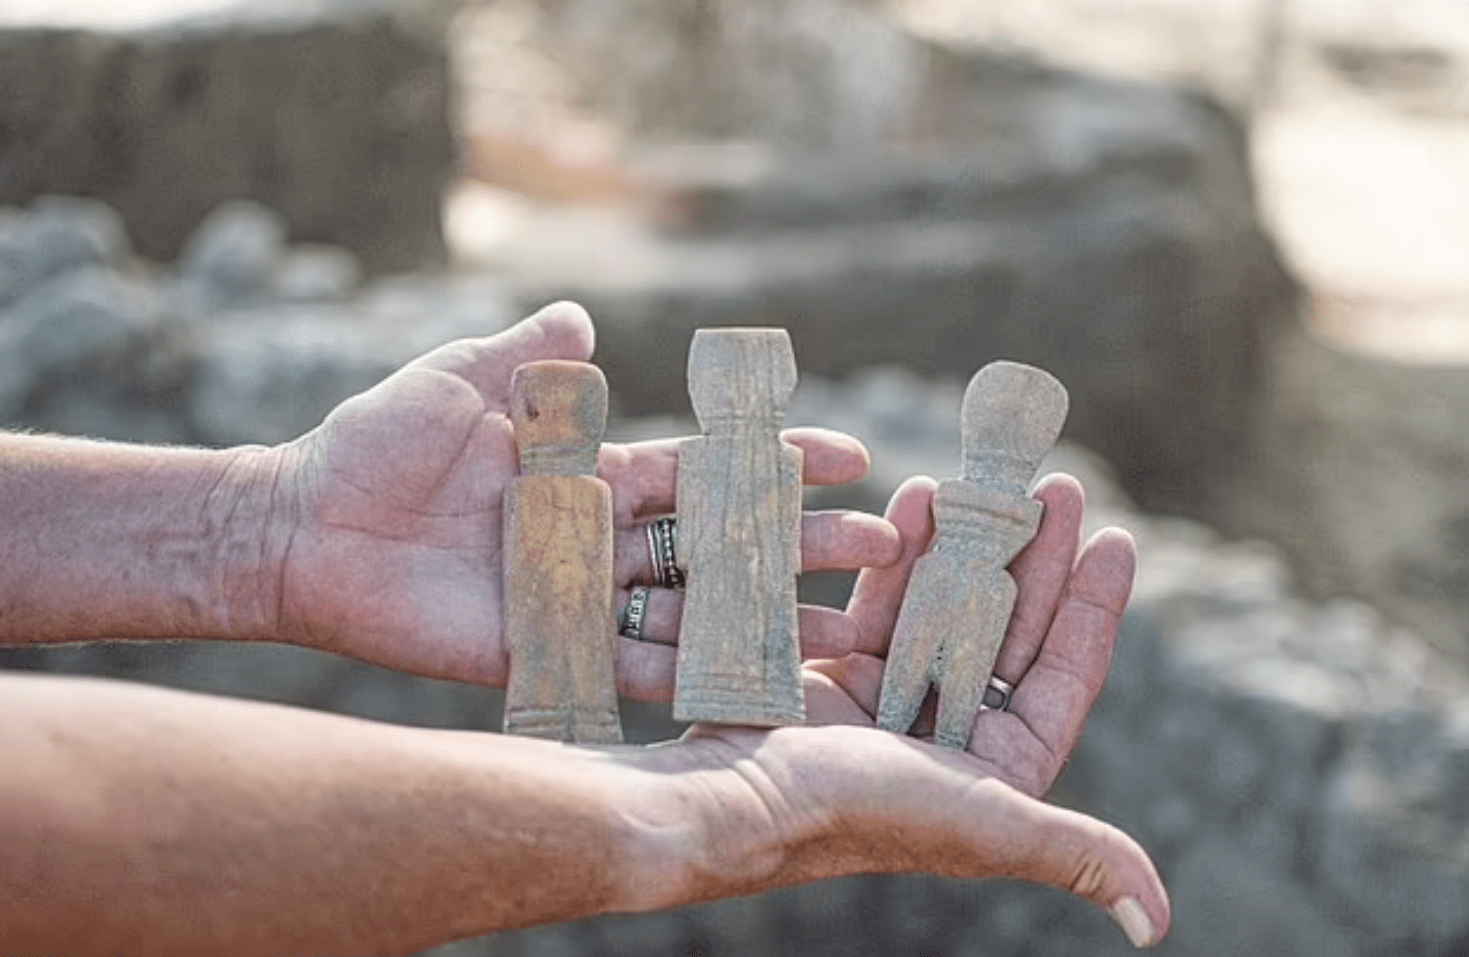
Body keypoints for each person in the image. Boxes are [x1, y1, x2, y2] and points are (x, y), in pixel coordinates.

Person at [0, 301, 1170, 955]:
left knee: (865, 651)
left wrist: (263, 528)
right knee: (636, 646)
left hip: (777, 633)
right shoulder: (652, 482)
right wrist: (709, 814)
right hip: (670, 654)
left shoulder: (731, 473)